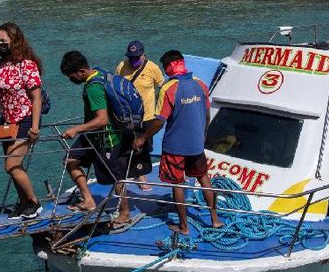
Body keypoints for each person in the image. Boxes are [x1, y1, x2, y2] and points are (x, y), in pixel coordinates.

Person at [134, 50, 222, 234]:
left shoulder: (169, 88)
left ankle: (184, 226)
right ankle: (215, 220)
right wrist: (202, 136)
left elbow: (159, 121)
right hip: (196, 145)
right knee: (204, 179)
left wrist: (142, 137)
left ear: (168, 68)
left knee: (177, 184)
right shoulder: (201, 85)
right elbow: (206, 115)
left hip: (175, 147)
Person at [60, 51, 151, 224]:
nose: (71, 79)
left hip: (106, 138)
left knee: (115, 177)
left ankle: (125, 213)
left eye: (71, 75)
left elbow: (102, 120)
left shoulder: (93, 87)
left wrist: (76, 129)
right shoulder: (99, 73)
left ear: (80, 71)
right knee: (70, 160)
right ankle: (88, 200)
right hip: (92, 135)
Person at [0, 22, 43, 220]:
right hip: (6, 120)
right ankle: (23, 203)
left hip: (25, 119)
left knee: (11, 165)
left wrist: (35, 127)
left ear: (14, 41)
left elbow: (37, 97)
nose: (0, 43)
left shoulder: (27, 64)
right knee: (13, 169)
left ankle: (34, 202)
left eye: (4, 40)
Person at [115, 40, 164, 191]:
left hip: (147, 115)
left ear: (143, 55)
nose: (133, 60)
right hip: (127, 115)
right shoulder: (121, 66)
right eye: (131, 57)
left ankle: (141, 174)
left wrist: (160, 110)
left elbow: (162, 87)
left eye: (136, 57)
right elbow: (116, 87)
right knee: (128, 143)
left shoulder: (152, 67)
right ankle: (132, 173)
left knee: (144, 145)